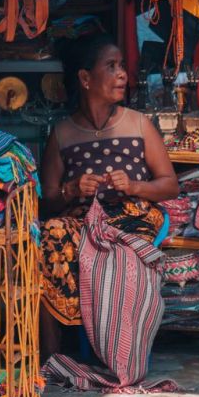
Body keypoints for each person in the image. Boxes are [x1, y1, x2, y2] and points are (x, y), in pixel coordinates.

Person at [39, 34, 179, 358]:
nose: (122, 74)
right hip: (81, 223)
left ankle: (118, 351)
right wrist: (71, 190)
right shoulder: (62, 133)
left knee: (119, 255)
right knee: (48, 236)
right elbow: (46, 200)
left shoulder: (139, 124)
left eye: (122, 67)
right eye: (111, 66)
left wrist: (134, 186)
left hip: (132, 219)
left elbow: (170, 184)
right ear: (85, 78)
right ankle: (53, 356)